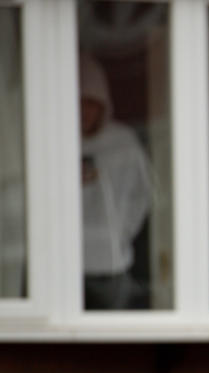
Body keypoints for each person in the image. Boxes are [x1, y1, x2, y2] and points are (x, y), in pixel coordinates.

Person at [79, 52, 153, 310]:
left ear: (103, 103)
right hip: (61, 266)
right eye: (79, 102)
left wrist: (120, 233)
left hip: (112, 263)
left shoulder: (123, 143)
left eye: (91, 103)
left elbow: (142, 195)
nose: (84, 111)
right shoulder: (53, 138)